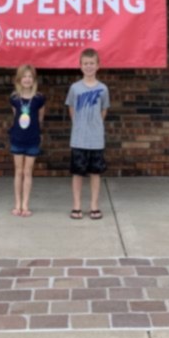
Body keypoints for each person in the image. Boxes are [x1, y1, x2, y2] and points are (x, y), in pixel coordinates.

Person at [66, 48, 110, 221]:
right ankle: (76, 205)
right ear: (80, 66)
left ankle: (94, 205)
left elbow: (104, 110)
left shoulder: (103, 89)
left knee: (95, 173)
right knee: (77, 173)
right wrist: (80, 125)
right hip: (78, 138)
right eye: (86, 63)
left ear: (98, 66)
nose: (89, 66)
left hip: (96, 139)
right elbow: (71, 108)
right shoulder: (75, 88)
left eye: (92, 63)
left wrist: (95, 125)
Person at [9, 64, 45, 217]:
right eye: (24, 76)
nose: (27, 79)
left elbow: (40, 118)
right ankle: (17, 204)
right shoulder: (14, 98)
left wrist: (37, 133)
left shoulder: (39, 98)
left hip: (32, 139)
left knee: (28, 171)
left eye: (30, 76)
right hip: (17, 138)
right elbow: (15, 116)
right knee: (18, 171)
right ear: (19, 79)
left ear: (34, 79)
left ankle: (25, 205)